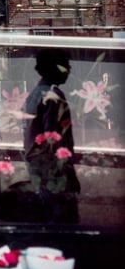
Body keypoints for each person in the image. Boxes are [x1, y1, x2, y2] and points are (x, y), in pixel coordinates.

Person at [21, 48, 81, 223]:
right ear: (55, 68)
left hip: (38, 168)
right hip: (53, 172)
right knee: (62, 222)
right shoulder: (52, 96)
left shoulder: (34, 94)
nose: (69, 71)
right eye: (66, 66)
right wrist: (69, 174)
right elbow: (54, 140)